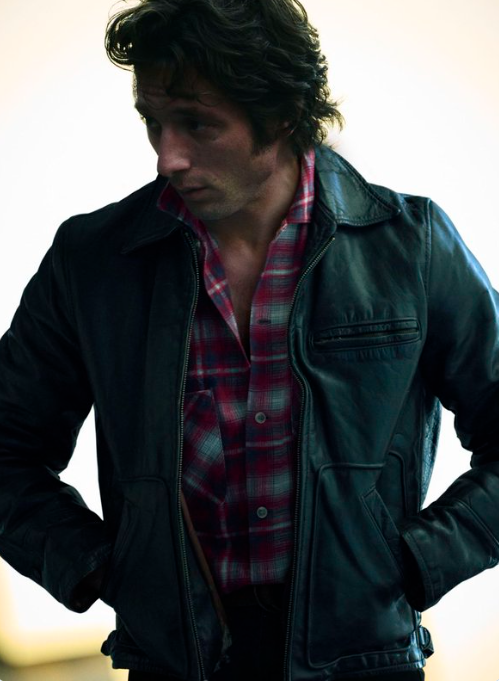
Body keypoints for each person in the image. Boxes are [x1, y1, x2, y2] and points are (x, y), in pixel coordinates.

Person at [0, 0, 498, 679]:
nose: (168, 156)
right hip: (175, 664)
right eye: (153, 122)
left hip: (362, 659)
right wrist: (98, 566)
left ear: (282, 115)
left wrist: (417, 560)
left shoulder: (410, 247)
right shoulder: (93, 263)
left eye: (197, 123)